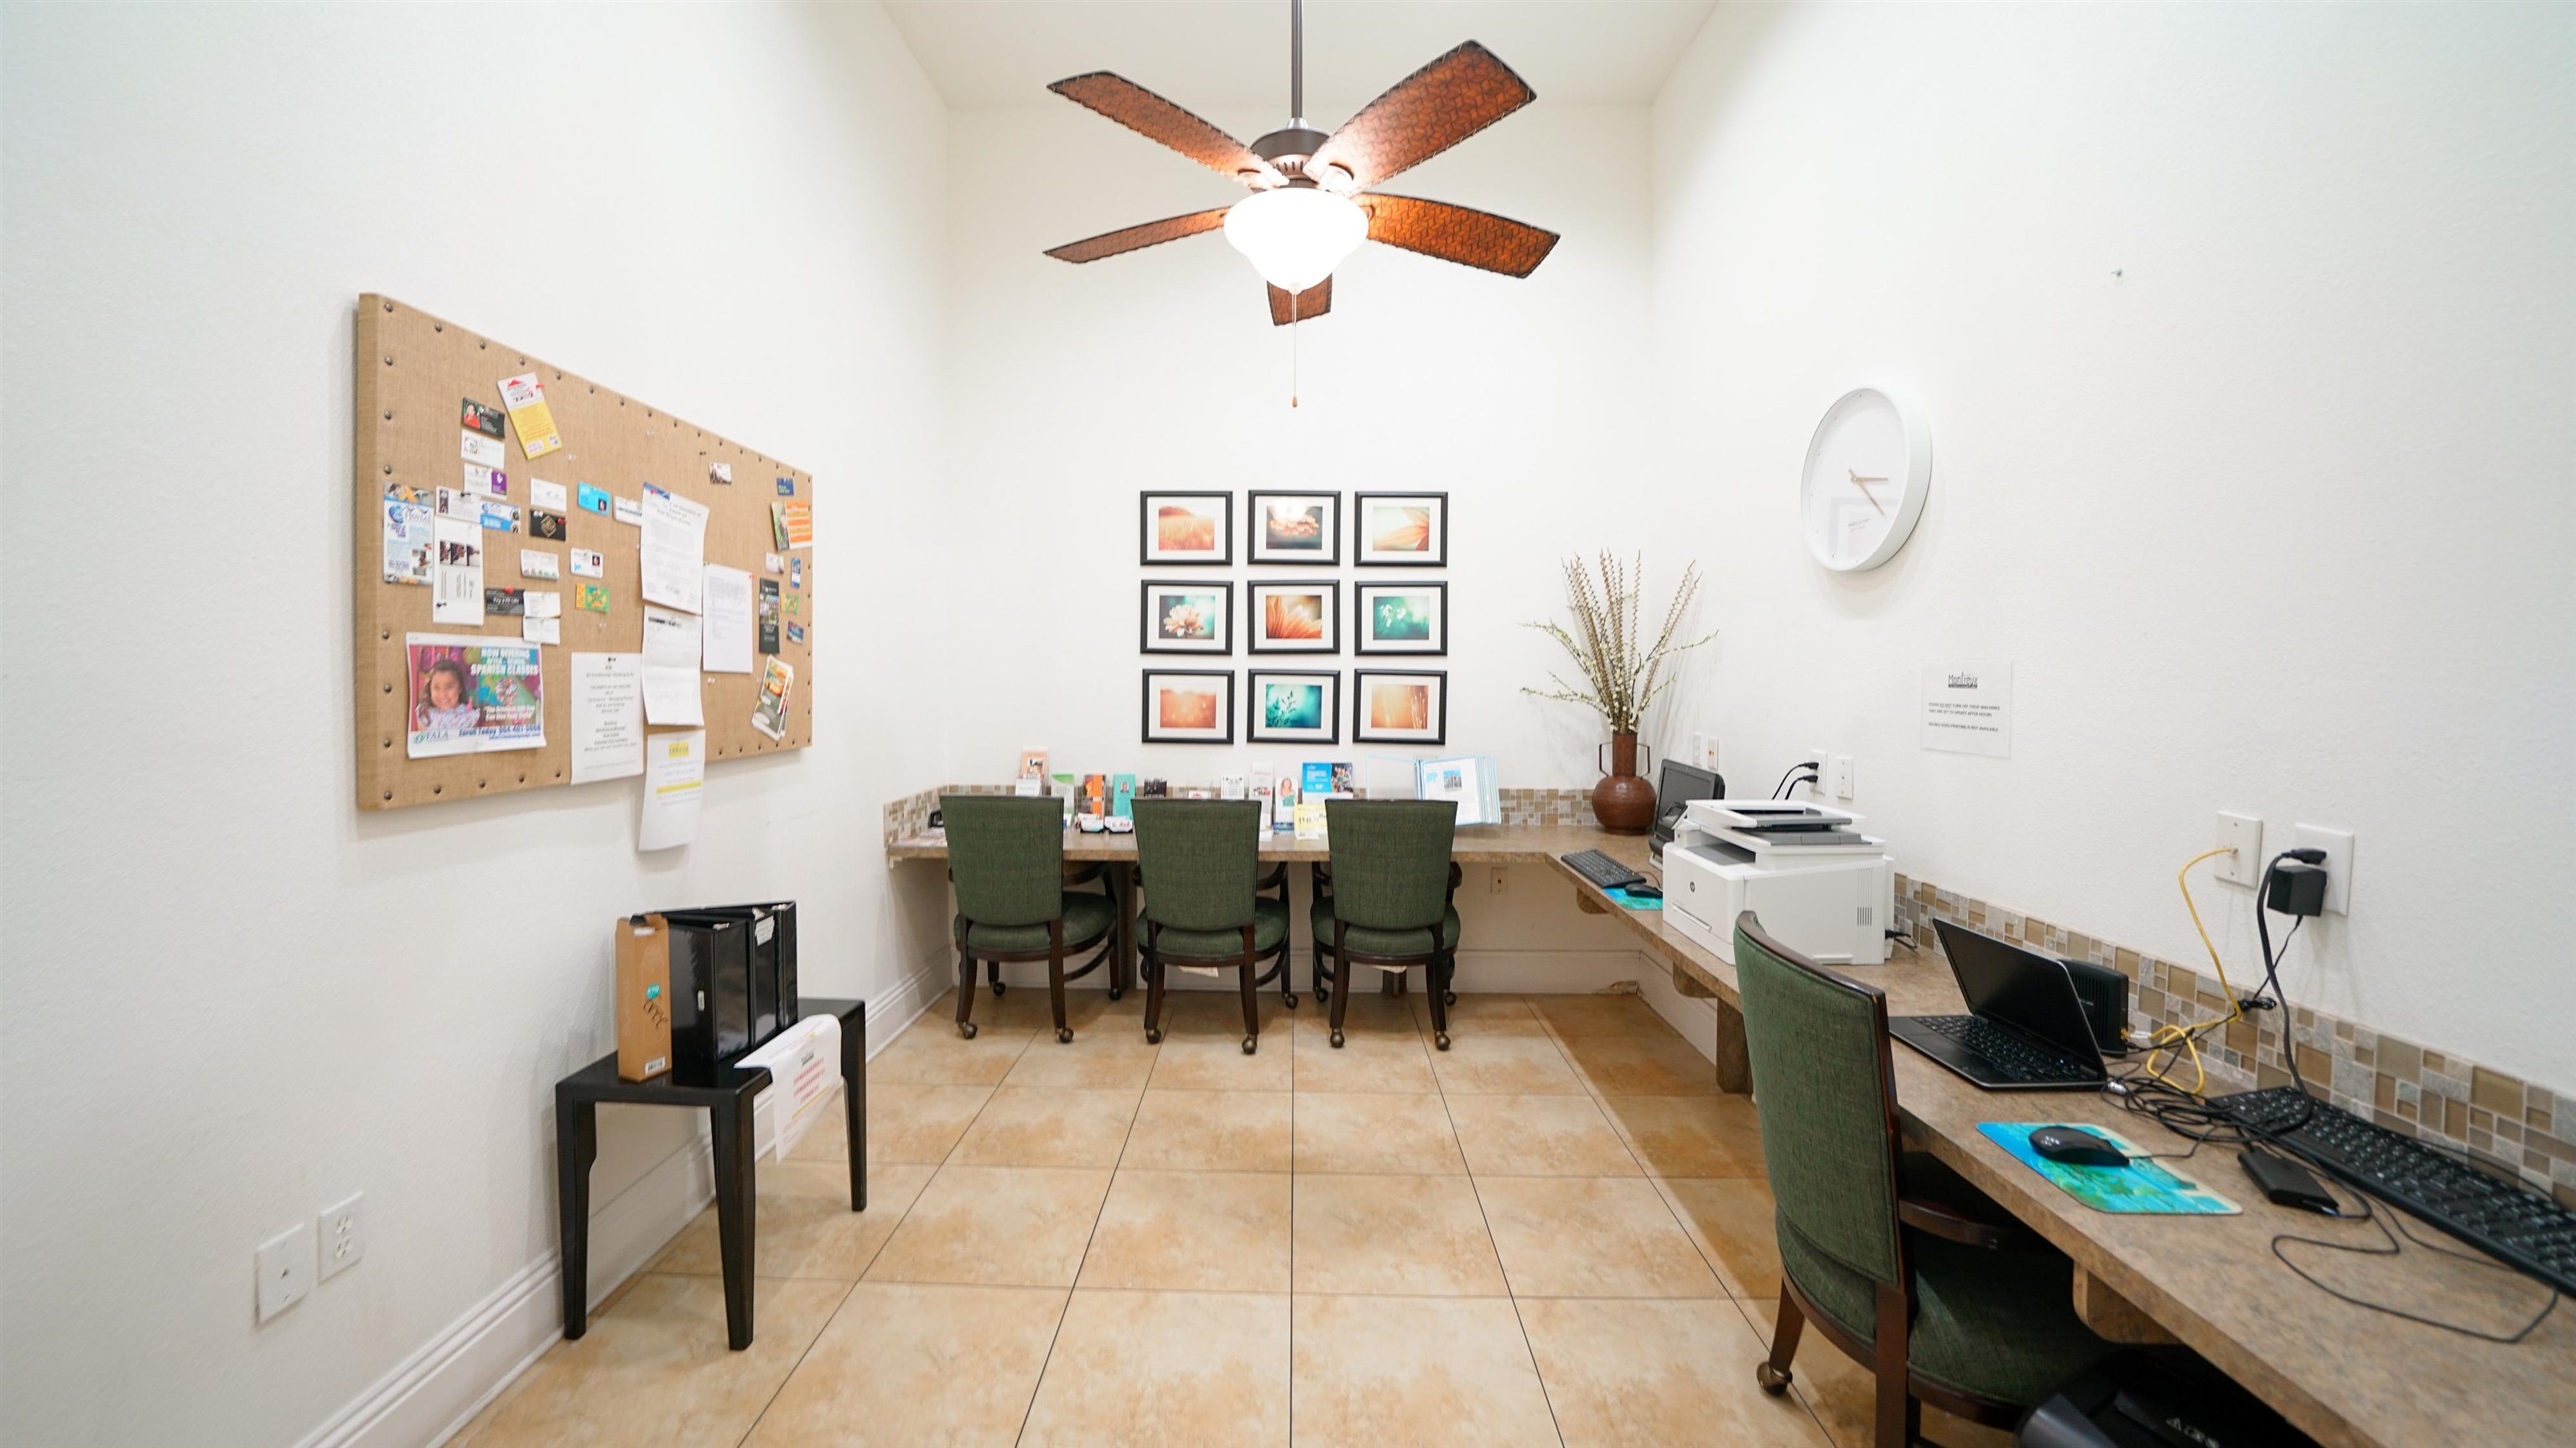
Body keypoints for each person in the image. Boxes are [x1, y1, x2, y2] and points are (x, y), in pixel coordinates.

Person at [416, 657, 480, 732]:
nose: (443, 694)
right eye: (436, 687)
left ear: (460, 688)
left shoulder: (469, 716)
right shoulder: (424, 713)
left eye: (449, 687)